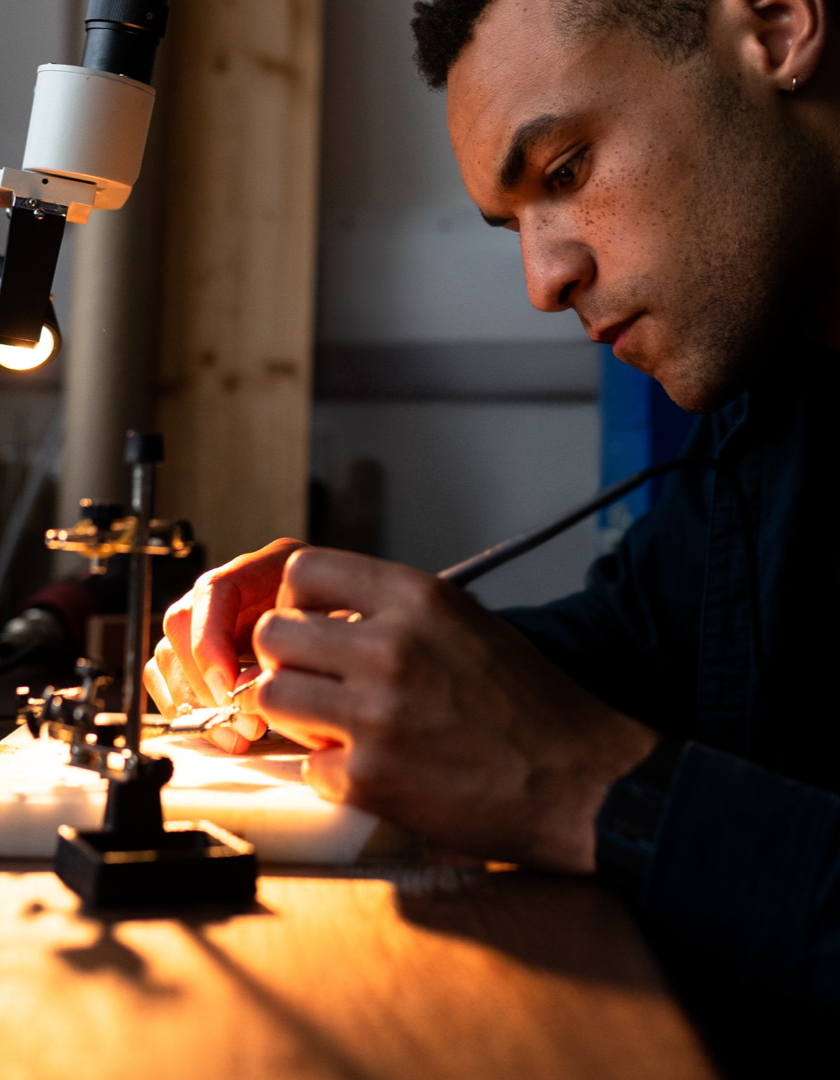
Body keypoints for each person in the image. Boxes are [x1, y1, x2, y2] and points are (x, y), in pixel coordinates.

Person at [145, 0, 840, 1041]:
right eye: (516, 222)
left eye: (564, 172)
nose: (542, 280)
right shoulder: (782, 397)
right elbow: (647, 637)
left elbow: (584, 747)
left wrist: (585, 786)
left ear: (779, 29)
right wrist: (369, 663)